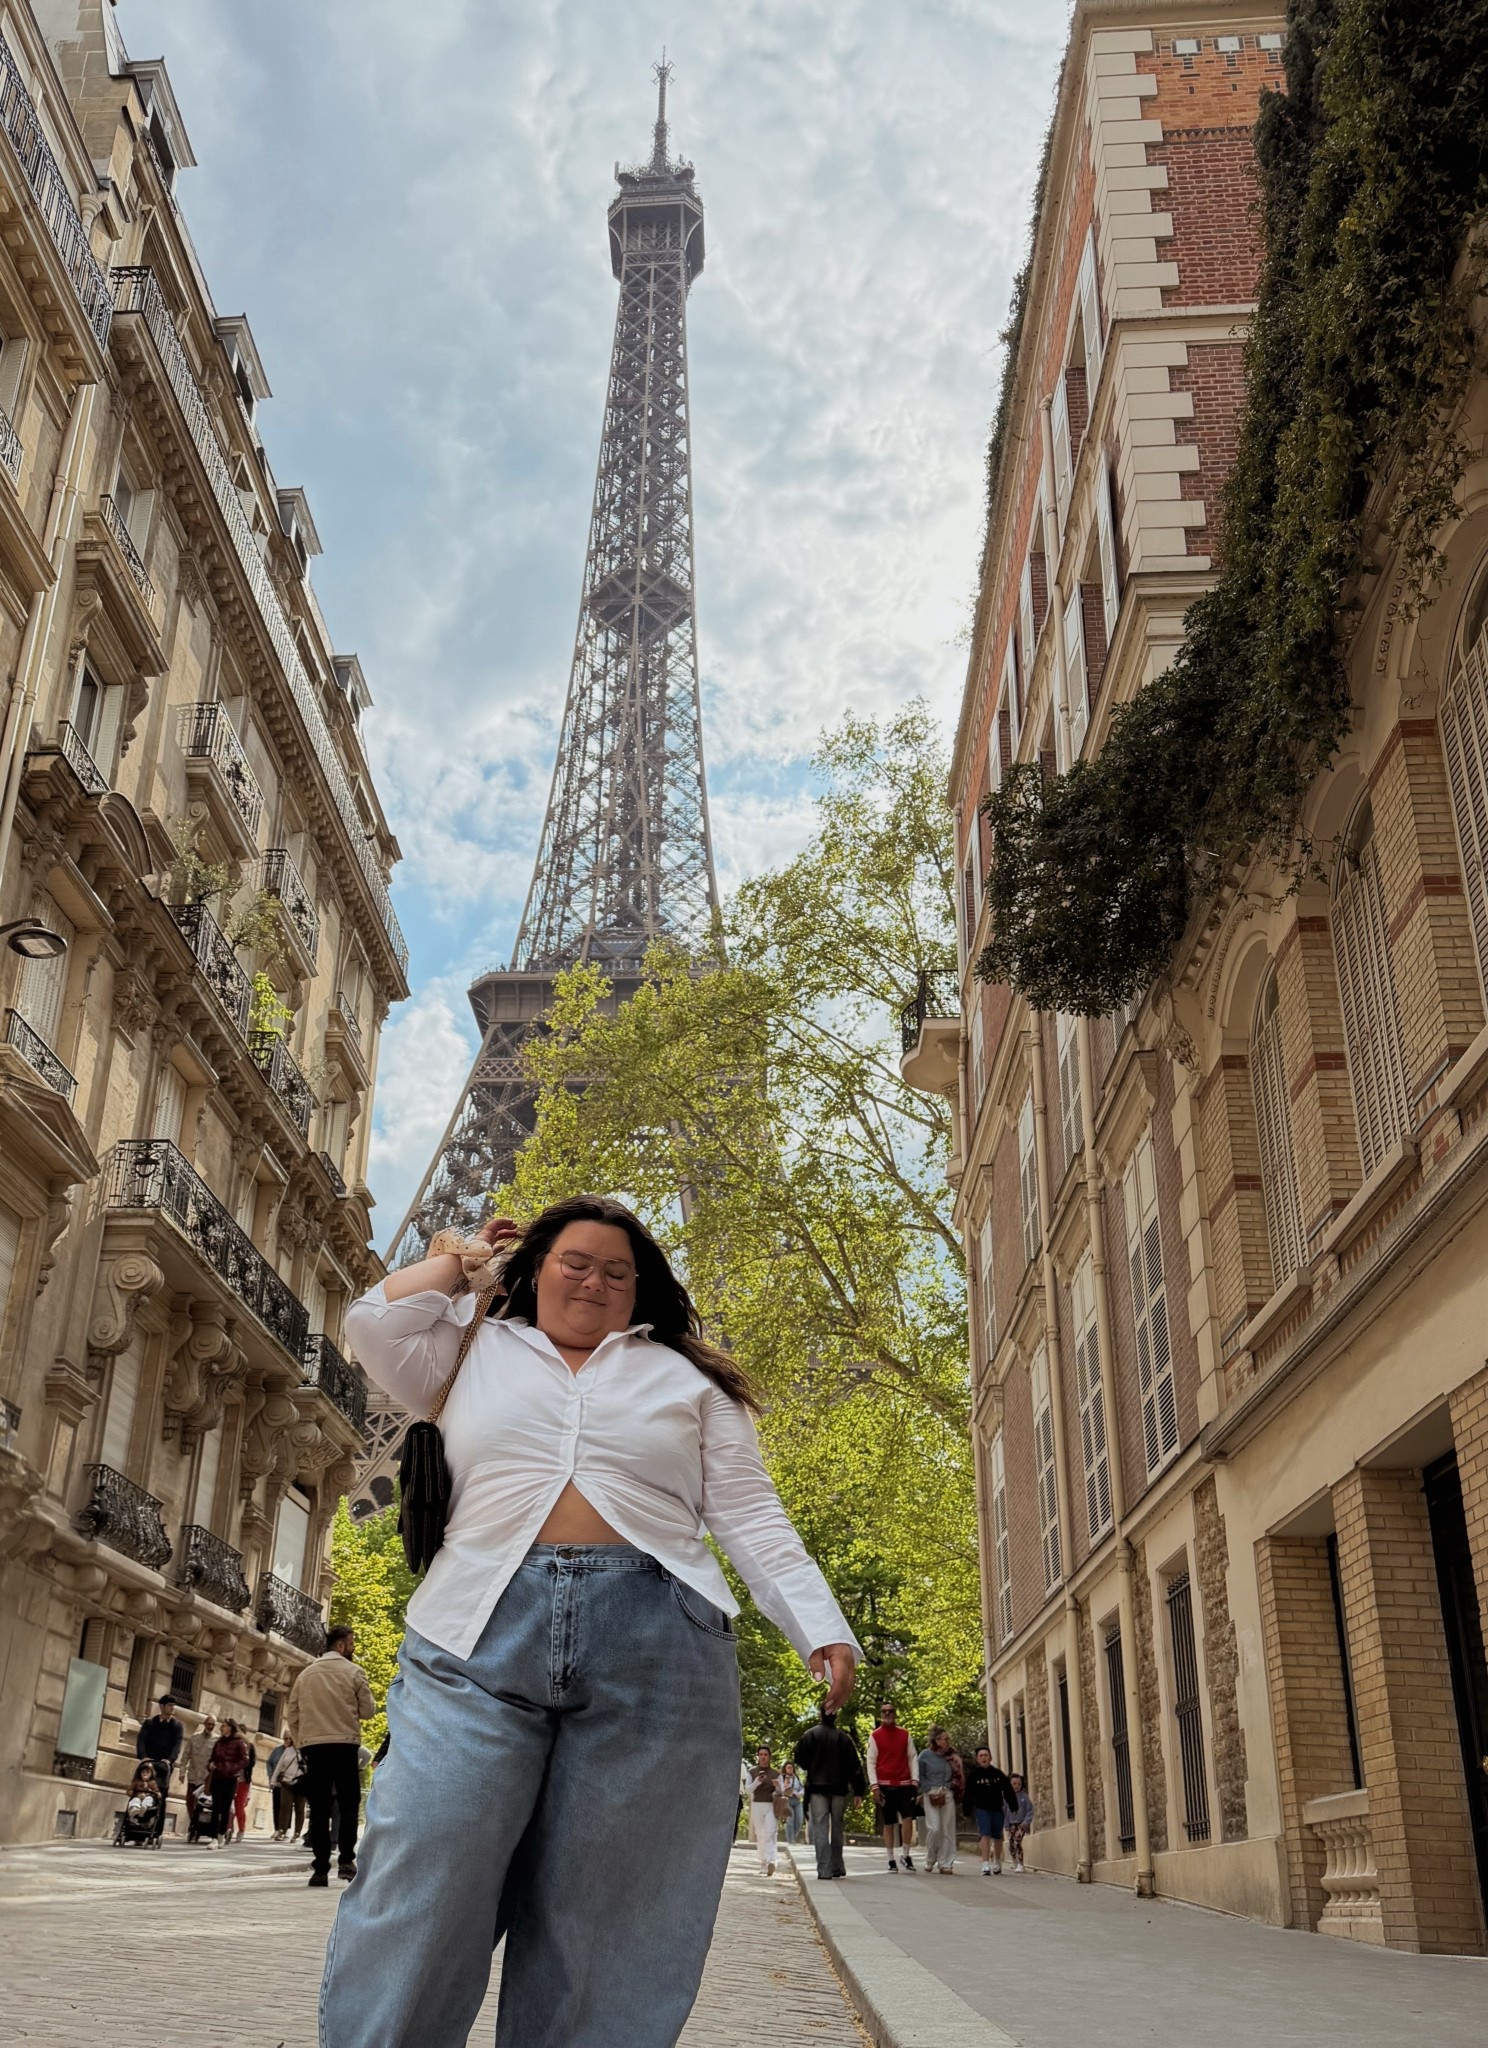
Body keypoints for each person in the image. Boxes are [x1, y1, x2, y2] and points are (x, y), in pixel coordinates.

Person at [324, 1197, 859, 2048]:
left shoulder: (689, 1382)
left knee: (613, 1913)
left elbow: (752, 1515)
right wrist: (462, 1262)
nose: (594, 1281)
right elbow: (370, 1322)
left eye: (617, 1270)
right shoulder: (465, 1349)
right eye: (574, 1261)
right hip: (475, 1631)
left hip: (658, 1639)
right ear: (535, 1269)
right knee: (423, 1867)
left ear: (638, 1289)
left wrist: (818, 1626)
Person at [287, 1622, 375, 1886]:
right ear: (341, 1645)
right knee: (348, 1805)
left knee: (319, 1807)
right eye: (352, 1643)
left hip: (314, 1747)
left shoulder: (306, 1675)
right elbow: (368, 1711)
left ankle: (320, 1868)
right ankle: (346, 1860)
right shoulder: (354, 1672)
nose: (353, 1648)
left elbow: (293, 1714)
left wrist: (302, 1743)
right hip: (345, 1744)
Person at [793, 1707, 866, 1880]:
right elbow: (854, 1766)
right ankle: (837, 1865)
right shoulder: (843, 1738)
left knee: (820, 1827)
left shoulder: (810, 1735)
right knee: (837, 1826)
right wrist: (858, 1790)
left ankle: (824, 1869)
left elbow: (799, 1758)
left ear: (820, 1714)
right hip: (839, 1788)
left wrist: (812, 1767)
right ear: (836, 1716)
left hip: (817, 1787)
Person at [867, 1701, 918, 1872]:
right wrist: (874, 1786)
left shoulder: (905, 1735)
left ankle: (906, 1854)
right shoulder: (875, 1736)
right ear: (880, 1715)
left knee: (908, 1818)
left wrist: (915, 1780)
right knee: (889, 1822)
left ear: (895, 1714)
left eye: (891, 1711)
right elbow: (871, 1762)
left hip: (905, 1784)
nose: (888, 1714)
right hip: (884, 1785)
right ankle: (890, 1859)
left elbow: (912, 1757)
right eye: (884, 1711)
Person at [962, 1744, 1015, 1875]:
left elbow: (1007, 1790)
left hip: (997, 1808)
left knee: (997, 1836)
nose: (984, 1758)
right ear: (977, 1759)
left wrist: (1013, 1805)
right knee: (985, 1834)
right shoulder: (974, 1776)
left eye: (986, 1755)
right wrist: (966, 1810)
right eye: (981, 1756)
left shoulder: (998, 1774)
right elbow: (968, 1794)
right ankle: (985, 1863)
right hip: (982, 1809)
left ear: (990, 1757)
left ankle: (997, 1861)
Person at [135, 1694, 182, 1837]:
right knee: (142, 1792)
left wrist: (170, 1760)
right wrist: (143, 1756)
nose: (172, 1708)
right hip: (148, 1764)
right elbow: (141, 1740)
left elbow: (177, 1745)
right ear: (162, 1706)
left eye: (173, 1705)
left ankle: (156, 1831)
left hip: (164, 1766)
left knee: (160, 1795)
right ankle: (140, 1829)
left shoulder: (176, 1726)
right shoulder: (150, 1723)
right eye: (170, 1705)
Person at [917, 1727, 959, 1875]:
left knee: (947, 1829)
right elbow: (919, 1774)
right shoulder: (925, 1755)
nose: (946, 1741)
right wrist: (926, 1788)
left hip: (947, 1793)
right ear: (935, 1740)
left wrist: (951, 1786)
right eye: (942, 1738)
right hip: (931, 1793)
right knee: (934, 1828)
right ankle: (930, 1858)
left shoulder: (951, 1756)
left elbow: (958, 1773)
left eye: (947, 1738)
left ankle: (945, 1862)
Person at [206, 1719, 249, 1845]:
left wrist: (231, 1769)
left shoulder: (239, 1742)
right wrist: (210, 1765)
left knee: (225, 1808)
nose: (221, 1728)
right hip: (217, 1777)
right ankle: (213, 1837)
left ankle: (221, 1834)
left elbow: (245, 1760)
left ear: (230, 1727)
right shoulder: (218, 1742)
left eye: (224, 1726)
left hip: (230, 1779)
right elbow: (212, 1758)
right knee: (216, 1807)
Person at [746, 1746, 781, 1875]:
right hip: (757, 1805)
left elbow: (781, 1792)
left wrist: (777, 1786)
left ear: (769, 1757)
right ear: (758, 1756)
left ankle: (771, 1860)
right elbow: (748, 1790)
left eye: (765, 1754)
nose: (763, 1757)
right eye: (761, 1754)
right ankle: (763, 1861)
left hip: (771, 1805)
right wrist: (757, 1782)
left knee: (770, 1833)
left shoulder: (775, 1773)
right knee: (760, 1835)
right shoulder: (752, 1772)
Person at [181, 1712, 216, 1836]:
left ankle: (201, 1826)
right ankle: (193, 1823)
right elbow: (185, 1756)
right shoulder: (194, 1738)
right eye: (208, 1723)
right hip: (193, 1776)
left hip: (206, 1779)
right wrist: (182, 1772)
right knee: (190, 1801)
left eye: (212, 1724)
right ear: (204, 1724)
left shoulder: (217, 1740)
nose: (210, 1726)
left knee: (202, 1804)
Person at [269, 1731, 307, 1841]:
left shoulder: (305, 1750)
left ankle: (297, 1833)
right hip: (286, 1782)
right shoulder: (288, 1750)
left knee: (300, 1808)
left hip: (301, 1783)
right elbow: (279, 1766)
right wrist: (273, 1780)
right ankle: (282, 1830)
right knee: (284, 1806)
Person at [1006, 1772, 1035, 1873]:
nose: (1016, 1786)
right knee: (1011, 1844)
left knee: (1017, 1842)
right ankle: (1014, 1860)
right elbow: (1004, 1811)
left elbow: (1030, 1810)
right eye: (1014, 1784)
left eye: (1018, 1784)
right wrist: (1006, 1825)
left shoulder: (1024, 1797)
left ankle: (1021, 1864)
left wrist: (1026, 1821)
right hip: (1011, 1824)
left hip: (1021, 1824)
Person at [232, 1734, 258, 1840]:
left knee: (239, 1807)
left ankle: (241, 1829)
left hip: (243, 1782)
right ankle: (228, 1828)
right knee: (229, 1807)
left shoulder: (250, 1748)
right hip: (231, 1780)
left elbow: (252, 1764)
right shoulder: (232, 1747)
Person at [778, 1761, 804, 1844]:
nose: (790, 1769)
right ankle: (791, 1841)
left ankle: (793, 1837)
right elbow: (781, 1789)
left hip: (797, 1800)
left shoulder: (796, 1777)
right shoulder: (782, 1777)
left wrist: (800, 1793)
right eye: (788, 1767)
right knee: (790, 1821)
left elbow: (802, 1788)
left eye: (791, 1767)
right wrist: (786, 1783)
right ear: (785, 1769)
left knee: (799, 1821)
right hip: (787, 1800)